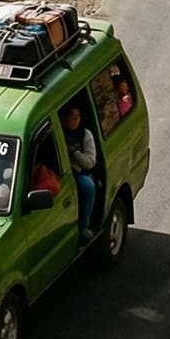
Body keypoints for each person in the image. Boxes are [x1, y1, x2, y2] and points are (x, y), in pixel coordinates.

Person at [62, 102, 100, 241]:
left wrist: (73, 152)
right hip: (61, 173)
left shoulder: (85, 134)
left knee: (88, 187)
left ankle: (84, 227)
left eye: (78, 117)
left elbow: (90, 162)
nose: (75, 120)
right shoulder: (59, 132)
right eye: (72, 117)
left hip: (78, 173)